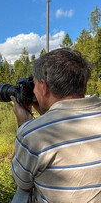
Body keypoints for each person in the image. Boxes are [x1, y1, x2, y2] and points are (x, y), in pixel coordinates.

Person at [10, 48, 101, 202]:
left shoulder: (32, 134)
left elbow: (22, 183)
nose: (34, 91)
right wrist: (47, 116)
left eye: (34, 84)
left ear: (44, 86)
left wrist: (25, 124)